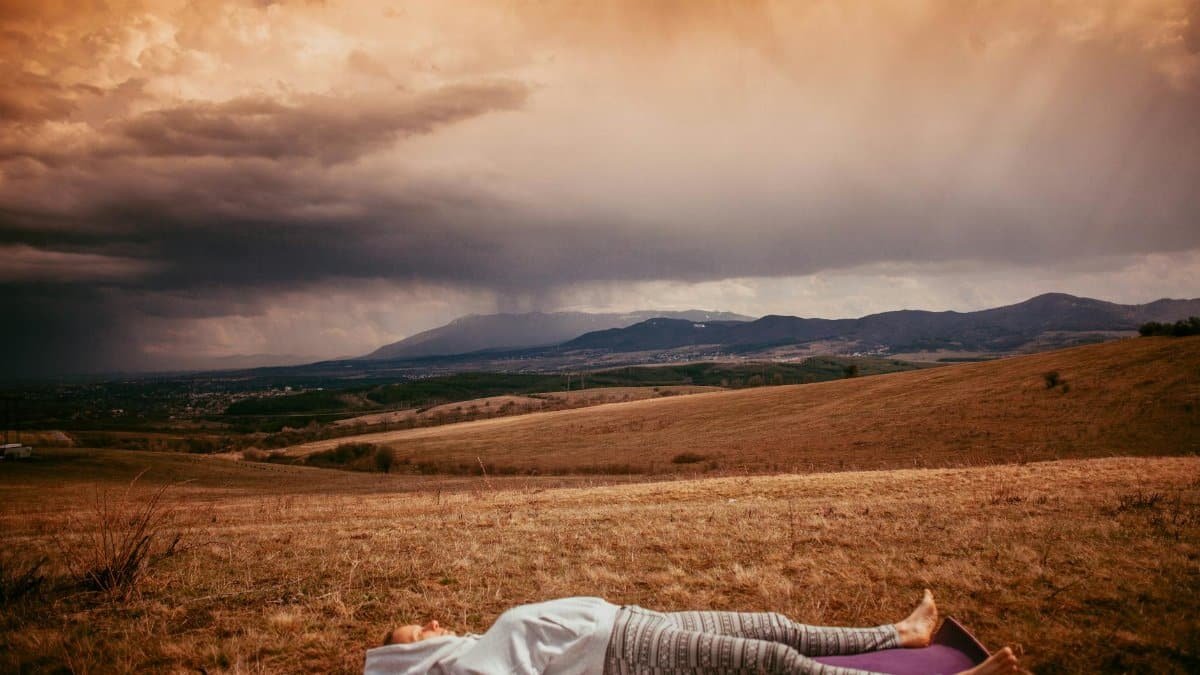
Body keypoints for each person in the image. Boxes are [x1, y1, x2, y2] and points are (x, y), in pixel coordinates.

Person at [364, 590, 1020, 674]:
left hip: (629, 622)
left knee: (773, 624)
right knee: (772, 662)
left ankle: (899, 633)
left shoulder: (473, 646)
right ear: (411, 659)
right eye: (416, 629)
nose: (431, 622)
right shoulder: (472, 670)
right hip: (621, 654)